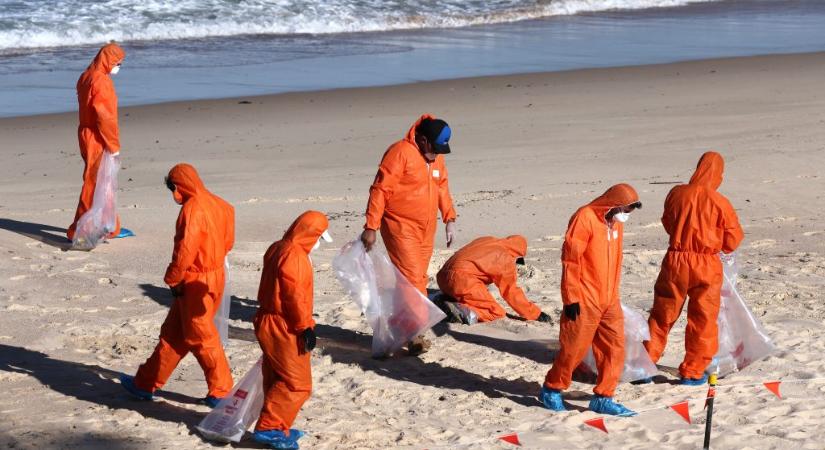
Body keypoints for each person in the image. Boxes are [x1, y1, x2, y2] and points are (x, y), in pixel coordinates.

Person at [120, 163, 234, 407]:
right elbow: (228, 241)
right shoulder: (220, 203)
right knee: (173, 335)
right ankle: (145, 382)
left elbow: (184, 251)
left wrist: (173, 279)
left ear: (179, 187)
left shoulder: (192, 209)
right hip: (215, 275)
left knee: (201, 336)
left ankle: (222, 390)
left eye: (173, 188)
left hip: (195, 280)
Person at [540, 184, 641, 416]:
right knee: (574, 349)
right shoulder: (585, 217)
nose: (626, 214)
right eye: (625, 208)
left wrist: (614, 294)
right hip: (584, 297)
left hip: (609, 298)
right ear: (613, 203)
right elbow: (571, 260)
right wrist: (571, 296)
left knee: (614, 348)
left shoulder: (614, 223)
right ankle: (552, 389)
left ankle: (604, 397)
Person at [644, 152, 744, 385]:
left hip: (676, 260)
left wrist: (683, 238)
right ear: (718, 174)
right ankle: (693, 371)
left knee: (662, 315)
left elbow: (668, 222)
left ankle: (644, 365)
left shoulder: (676, 193)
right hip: (706, 264)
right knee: (703, 319)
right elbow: (732, 240)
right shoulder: (719, 201)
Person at [360, 114, 457, 355]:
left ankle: (403, 324)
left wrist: (449, 218)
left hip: (426, 227)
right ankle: (416, 332)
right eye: (435, 149)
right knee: (413, 278)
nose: (437, 155)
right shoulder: (399, 153)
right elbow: (380, 190)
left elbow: (442, 185)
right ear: (423, 140)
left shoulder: (436, 159)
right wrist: (371, 226)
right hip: (399, 226)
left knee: (417, 278)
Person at [252, 211, 332, 449]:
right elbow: (293, 296)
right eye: (318, 237)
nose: (318, 243)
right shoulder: (295, 256)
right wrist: (304, 327)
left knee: (276, 375)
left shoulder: (278, 247)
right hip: (284, 324)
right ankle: (269, 427)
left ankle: (276, 425)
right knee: (297, 383)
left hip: (267, 318)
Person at [68, 42, 133, 241]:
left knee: (102, 180)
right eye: (118, 63)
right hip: (97, 135)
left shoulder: (85, 76)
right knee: (95, 182)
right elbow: (105, 117)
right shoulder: (101, 81)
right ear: (109, 60)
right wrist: (113, 146)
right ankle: (81, 229)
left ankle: (108, 224)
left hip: (85, 132)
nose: (118, 67)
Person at [436, 235, 552, 324]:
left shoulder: (487, 240)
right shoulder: (505, 259)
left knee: (475, 291)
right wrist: (535, 314)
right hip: (461, 281)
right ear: (517, 255)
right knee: (495, 312)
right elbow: (511, 293)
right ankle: (459, 311)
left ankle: (447, 300)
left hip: (442, 278)